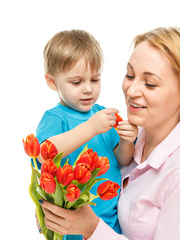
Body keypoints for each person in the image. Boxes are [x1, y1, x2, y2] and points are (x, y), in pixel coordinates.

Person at [38, 27, 180, 240]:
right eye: (130, 75)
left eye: (150, 83)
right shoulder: (137, 137)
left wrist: (91, 229)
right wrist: (54, 209)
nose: (131, 91)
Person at [35, 29, 138, 239]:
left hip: (109, 223)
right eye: (77, 82)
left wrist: (126, 141)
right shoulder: (56, 118)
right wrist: (90, 127)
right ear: (53, 82)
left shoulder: (102, 114)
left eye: (95, 79)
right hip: (71, 226)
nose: (88, 89)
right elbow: (44, 154)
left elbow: (122, 160)